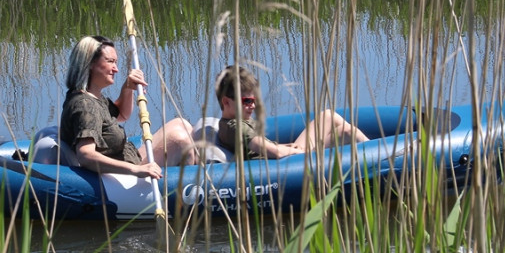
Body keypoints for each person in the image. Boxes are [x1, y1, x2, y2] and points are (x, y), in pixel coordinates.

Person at [59, 35, 196, 178]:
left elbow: (121, 115)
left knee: (181, 124)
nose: (116, 69)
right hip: (127, 174)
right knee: (181, 140)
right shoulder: (85, 106)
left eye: (116, 62)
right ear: (90, 63)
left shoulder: (92, 97)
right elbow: (86, 155)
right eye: (110, 61)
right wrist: (135, 170)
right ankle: (192, 189)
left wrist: (127, 88)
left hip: (131, 158)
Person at [214, 65, 368, 159]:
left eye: (255, 100)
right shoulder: (236, 127)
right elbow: (275, 153)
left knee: (328, 115)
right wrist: (303, 151)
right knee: (346, 132)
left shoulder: (237, 122)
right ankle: (384, 162)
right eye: (247, 101)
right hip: (290, 162)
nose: (253, 106)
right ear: (226, 102)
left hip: (291, 154)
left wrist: (290, 146)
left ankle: (371, 152)